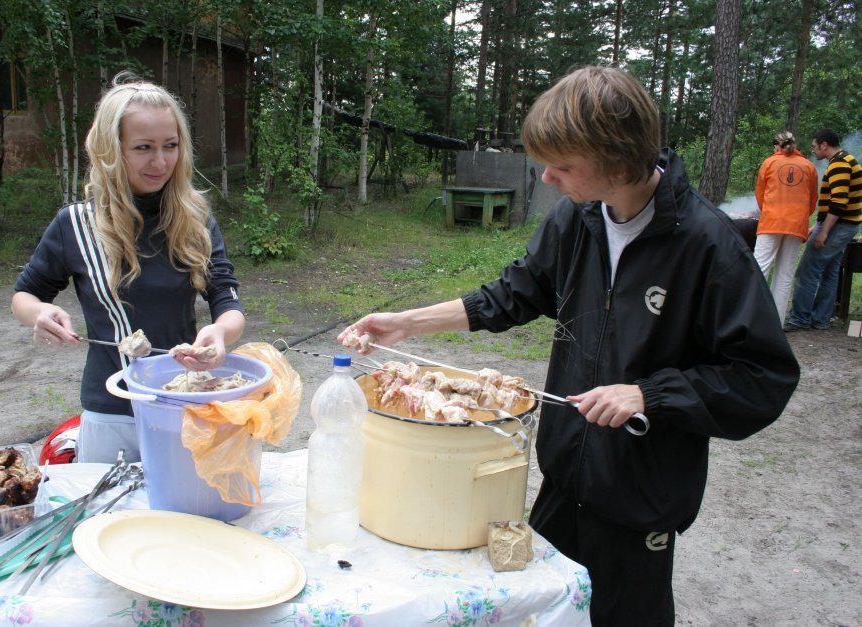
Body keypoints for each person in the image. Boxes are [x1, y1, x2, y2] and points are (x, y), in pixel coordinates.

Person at [339, 66, 799, 626]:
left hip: (639, 502)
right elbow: (513, 294)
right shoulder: (577, 218)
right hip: (562, 481)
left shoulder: (708, 247)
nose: (548, 177)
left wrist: (650, 394)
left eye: (563, 165)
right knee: (546, 615)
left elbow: (763, 377)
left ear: (619, 164)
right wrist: (406, 324)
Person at [12, 73, 246, 464]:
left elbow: (226, 296)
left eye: (170, 146)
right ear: (111, 150)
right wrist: (38, 313)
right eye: (143, 148)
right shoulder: (76, 225)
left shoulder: (195, 220)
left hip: (181, 403)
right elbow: (25, 295)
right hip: (110, 414)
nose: (161, 162)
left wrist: (221, 331)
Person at [785, 128, 862, 330]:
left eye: (814, 147)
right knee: (830, 270)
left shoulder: (839, 164)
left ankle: (800, 319)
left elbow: (838, 203)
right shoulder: (845, 159)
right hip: (845, 223)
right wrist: (817, 224)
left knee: (807, 270)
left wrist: (824, 231)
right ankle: (820, 319)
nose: (814, 151)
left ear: (824, 144)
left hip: (839, 225)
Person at [753, 131, 818, 326]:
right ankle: (776, 325)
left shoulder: (769, 163)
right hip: (796, 226)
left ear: (777, 146)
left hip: (771, 222)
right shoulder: (809, 166)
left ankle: (750, 319)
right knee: (785, 274)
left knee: (759, 269)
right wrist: (797, 217)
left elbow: (760, 195)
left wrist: (770, 212)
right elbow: (812, 201)